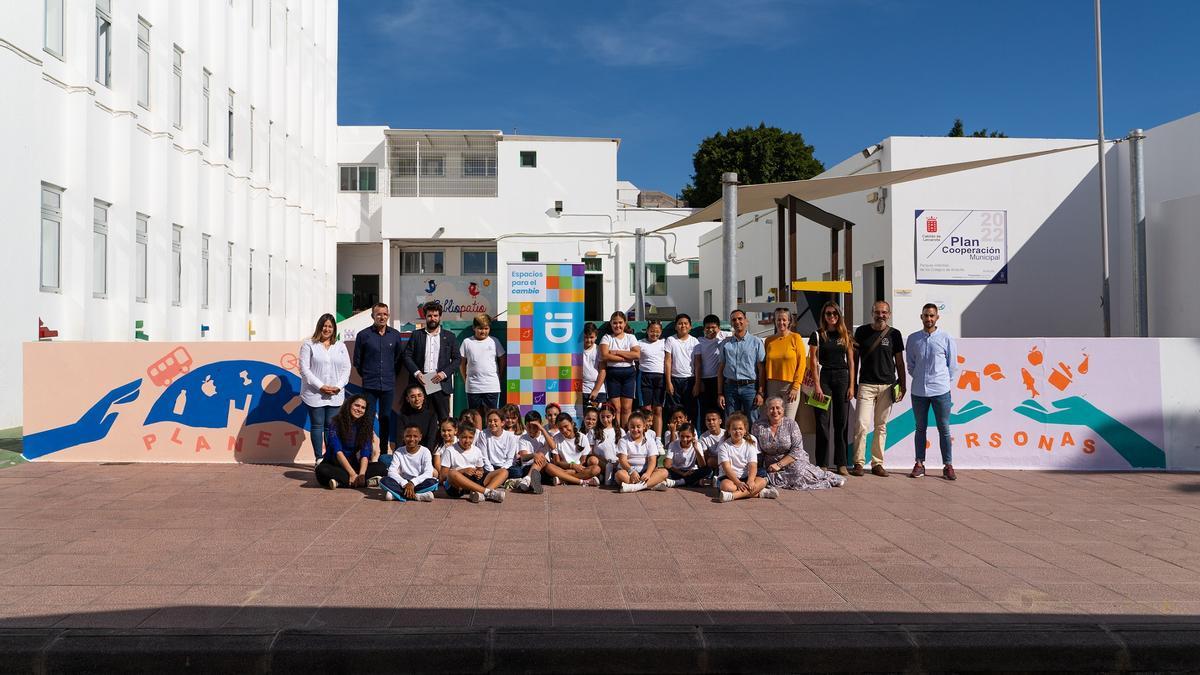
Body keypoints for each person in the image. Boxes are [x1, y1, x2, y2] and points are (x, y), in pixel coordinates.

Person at [852, 301, 906, 477]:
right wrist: (853, 383)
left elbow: (899, 361)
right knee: (861, 424)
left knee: (881, 426)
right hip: (866, 384)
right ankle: (858, 463)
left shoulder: (895, 334)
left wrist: (903, 384)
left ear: (889, 314)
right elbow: (854, 359)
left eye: (884, 312)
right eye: (877, 312)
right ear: (872, 313)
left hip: (887, 385)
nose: (880, 315)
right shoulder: (861, 332)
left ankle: (877, 463)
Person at [906, 303, 958, 480]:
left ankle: (948, 465)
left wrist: (941, 381)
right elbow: (911, 365)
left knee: (944, 428)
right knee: (920, 428)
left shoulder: (946, 338)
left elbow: (952, 366)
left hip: (941, 391)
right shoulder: (913, 339)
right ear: (921, 317)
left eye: (932, 316)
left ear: (937, 318)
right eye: (926, 315)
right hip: (919, 391)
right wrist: (921, 377)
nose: (929, 319)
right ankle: (919, 463)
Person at [753, 397, 844, 490]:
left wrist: (779, 465)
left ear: (783, 410)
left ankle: (828, 478)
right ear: (767, 411)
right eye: (771, 408)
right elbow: (755, 449)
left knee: (798, 472)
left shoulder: (791, 424)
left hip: (792, 459)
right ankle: (773, 479)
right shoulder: (758, 426)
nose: (775, 411)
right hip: (771, 465)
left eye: (778, 408)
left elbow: (797, 449)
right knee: (764, 474)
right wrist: (757, 467)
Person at [808, 301, 856, 475]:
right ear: (824, 316)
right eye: (828, 314)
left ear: (839, 315)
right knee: (822, 422)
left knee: (841, 422)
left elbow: (851, 361)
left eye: (835, 313)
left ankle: (841, 463)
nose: (832, 317)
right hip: (824, 378)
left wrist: (851, 385)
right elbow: (813, 362)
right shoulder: (818, 335)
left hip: (842, 378)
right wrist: (817, 386)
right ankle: (822, 463)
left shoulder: (846, 334)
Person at [299, 313, 351, 467]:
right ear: (319, 327)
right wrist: (320, 386)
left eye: (330, 326)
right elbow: (304, 369)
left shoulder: (340, 346)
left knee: (331, 427)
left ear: (334, 329)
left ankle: (330, 457)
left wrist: (338, 386)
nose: (327, 329)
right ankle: (319, 459)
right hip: (315, 393)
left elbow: (346, 368)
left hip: (335, 393)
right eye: (325, 326)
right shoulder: (308, 345)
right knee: (317, 425)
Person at [352, 303, 402, 453]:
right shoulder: (363, 335)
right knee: (367, 419)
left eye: (385, 314)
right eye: (379, 314)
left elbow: (398, 360)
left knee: (385, 419)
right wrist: (367, 375)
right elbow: (357, 361)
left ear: (388, 315)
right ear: (373, 316)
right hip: (369, 385)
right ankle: (366, 452)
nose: (382, 317)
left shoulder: (394, 335)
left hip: (388, 385)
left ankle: (383, 453)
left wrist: (391, 375)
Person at [401, 301, 461, 422]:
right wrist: (417, 373)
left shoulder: (449, 336)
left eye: (435, 315)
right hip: (420, 383)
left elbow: (457, 359)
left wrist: (443, 374)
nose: (432, 318)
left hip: (440, 383)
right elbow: (406, 356)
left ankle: (443, 441)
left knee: (443, 418)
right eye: (429, 316)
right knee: (419, 419)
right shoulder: (416, 335)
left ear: (439, 317)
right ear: (425, 317)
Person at [315, 395, 387, 490]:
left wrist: (361, 474)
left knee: (381, 467)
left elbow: (365, 453)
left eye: (363, 408)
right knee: (321, 470)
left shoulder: (366, 426)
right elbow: (338, 452)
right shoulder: (335, 423)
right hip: (335, 464)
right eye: (357, 405)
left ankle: (342, 482)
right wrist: (352, 474)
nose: (359, 409)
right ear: (349, 405)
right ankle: (364, 482)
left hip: (354, 465)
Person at [715, 412, 777, 502]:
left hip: (746, 476)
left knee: (763, 481)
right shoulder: (724, 446)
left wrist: (751, 480)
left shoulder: (750, 445)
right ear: (728, 430)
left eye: (740, 429)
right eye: (734, 429)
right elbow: (727, 468)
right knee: (727, 487)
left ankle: (732, 496)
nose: (738, 431)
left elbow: (753, 465)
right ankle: (759, 493)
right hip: (730, 478)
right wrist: (738, 483)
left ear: (745, 431)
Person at [717, 310, 766, 422]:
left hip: (750, 388)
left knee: (753, 421)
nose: (737, 322)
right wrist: (720, 393)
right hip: (730, 388)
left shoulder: (756, 342)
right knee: (731, 421)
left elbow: (761, 369)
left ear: (746, 321)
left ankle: (752, 440)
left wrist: (760, 393)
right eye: (734, 320)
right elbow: (720, 370)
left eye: (740, 319)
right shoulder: (726, 344)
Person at [440, 422, 507, 503]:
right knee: (452, 473)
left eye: (470, 437)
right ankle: (487, 493)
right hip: (458, 485)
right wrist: (463, 471)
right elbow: (443, 476)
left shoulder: (477, 450)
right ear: (458, 435)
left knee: (504, 471)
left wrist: (479, 473)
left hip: (474, 481)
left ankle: (481, 494)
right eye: (464, 437)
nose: (467, 440)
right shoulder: (450, 450)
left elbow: (480, 469)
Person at [762, 308, 807, 421]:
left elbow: (802, 363)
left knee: (788, 421)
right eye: (778, 320)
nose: (781, 322)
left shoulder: (795, 338)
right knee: (773, 421)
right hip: (772, 385)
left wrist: (796, 386)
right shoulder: (769, 340)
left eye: (784, 320)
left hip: (790, 386)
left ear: (789, 321)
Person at [379, 423, 439, 502]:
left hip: (418, 482)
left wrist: (412, 483)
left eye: (415, 436)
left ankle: (397, 495)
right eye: (408, 436)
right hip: (402, 483)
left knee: (433, 482)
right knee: (383, 481)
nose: (411, 439)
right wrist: (405, 484)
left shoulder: (425, 451)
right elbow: (391, 472)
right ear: (403, 437)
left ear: (420, 437)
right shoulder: (399, 452)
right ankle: (417, 496)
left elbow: (428, 472)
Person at [599, 311, 640, 427]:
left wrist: (617, 352)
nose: (618, 326)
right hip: (613, 375)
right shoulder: (606, 338)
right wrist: (625, 357)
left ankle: (625, 433)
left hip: (629, 375)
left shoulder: (631, 337)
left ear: (625, 323)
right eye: (615, 323)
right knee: (616, 408)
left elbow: (637, 355)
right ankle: (617, 433)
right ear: (611, 324)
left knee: (627, 408)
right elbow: (604, 356)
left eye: (620, 323)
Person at [459, 313, 504, 415]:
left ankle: (490, 431)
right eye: (480, 328)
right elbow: (461, 362)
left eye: (486, 328)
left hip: (491, 385)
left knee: (492, 414)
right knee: (474, 415)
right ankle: (477, 431)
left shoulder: (494, 341)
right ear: (474, 328)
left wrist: (499, 376)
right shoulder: (467, 342)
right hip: (473, 386)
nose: (483, 331)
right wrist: (465, 378)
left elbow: (502, 359)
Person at [615, 411, 668, 493]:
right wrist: (631, 471)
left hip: (645, 472)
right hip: (629, 472)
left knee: (664, 472)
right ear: (628, 427)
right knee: (619, 475)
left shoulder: (650, 440)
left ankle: (636, 487)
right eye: (632, 427)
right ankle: (651, 485)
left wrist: (648, 473)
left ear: (644, 426)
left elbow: (652, 460)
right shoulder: (623, 440)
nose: (635, 430)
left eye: (638, 427)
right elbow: (623, 460)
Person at [547, 413, 602, 486]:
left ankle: (563, 479)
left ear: (572, 423)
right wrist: (571, 466)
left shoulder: (583, 437)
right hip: (563, 468)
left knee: (596, 469)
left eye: (566, 426)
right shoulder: (556, 438)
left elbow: (583, 461)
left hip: (577, 470)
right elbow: (557, 462)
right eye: (560, 428)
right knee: (548, 467)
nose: (564, 430)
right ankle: (581, 481)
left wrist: (574, 469)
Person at [663, 313, 699, 424]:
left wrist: (697, 383)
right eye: (680, 323)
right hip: (674, 380)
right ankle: (674, 436)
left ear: (690, 326)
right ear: (675, 326)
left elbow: (698, 364)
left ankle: (689, 434)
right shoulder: (670, 340)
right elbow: (668, 361)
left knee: (690, 409)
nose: (683, 326)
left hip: (690, 380)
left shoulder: (695, 342)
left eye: (685, 323)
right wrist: (668, 382)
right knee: (673, 410)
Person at [637, 320, 667, 438]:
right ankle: (645, 436)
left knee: (658, 410)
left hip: (660, 378)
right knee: (646, 410)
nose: (654, 334)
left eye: (657, 331)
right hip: (645, 377)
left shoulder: (664, 343)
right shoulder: (640, 343)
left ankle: (658, 439)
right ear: (647, 331)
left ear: (661, 332)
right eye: (652, 331)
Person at [516, 410, 557, 494]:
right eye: (529, 427)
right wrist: (534, 455)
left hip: (545, 468)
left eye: (535, 426)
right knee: (540, 455)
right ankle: (530, 479)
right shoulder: (523, 438)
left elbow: (553, 446)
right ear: (525, 426)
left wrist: (542, 429)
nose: (532, 430)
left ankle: (528, 481)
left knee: (544, 460)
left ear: (540, 425)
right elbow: (523, 457)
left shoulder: (545, 436)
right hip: (528, 467)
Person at [693, 314, 726, 418]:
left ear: (719, 328)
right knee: (705, 410)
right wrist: (699, 382)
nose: (710, 330)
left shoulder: (723, 339)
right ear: (704, 329)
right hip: (704, 381)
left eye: (713, 327)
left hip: (719, 380)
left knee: (720, 409)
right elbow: (697, 363)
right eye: (707, 327)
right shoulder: (699, 341)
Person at [662, 423, 712, 488]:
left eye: (688, 437)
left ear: (693, 435)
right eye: (682, 436)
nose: (685, 439)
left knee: (707, 470)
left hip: (690, 472)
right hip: (676, 471)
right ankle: (690, 482)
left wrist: (696, 448)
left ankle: (678, 482)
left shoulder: (698, 445)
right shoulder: (673, 444)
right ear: (678, 435)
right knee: (664, 472)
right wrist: (682, 473)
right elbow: (667, 465)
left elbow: (702, 465)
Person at [398, 385, 440, 455]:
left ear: (423, 397)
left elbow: (431, 439)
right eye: (413, 396)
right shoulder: (402, 416)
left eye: (419, 395)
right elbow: (399, 439)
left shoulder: (432, 415)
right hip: (406, 454)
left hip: (425, 454)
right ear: (407, 399)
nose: (417, 399)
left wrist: (426, 456)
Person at [581, 322, 606, 409]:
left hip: (599, 391)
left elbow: (602, 371)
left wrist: (596, 390)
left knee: (598, 419)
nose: (588, 340)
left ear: (596, 337)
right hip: (582, 390)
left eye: (591, 337)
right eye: (586, 337)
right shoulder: (576, 350)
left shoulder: (599, 350)